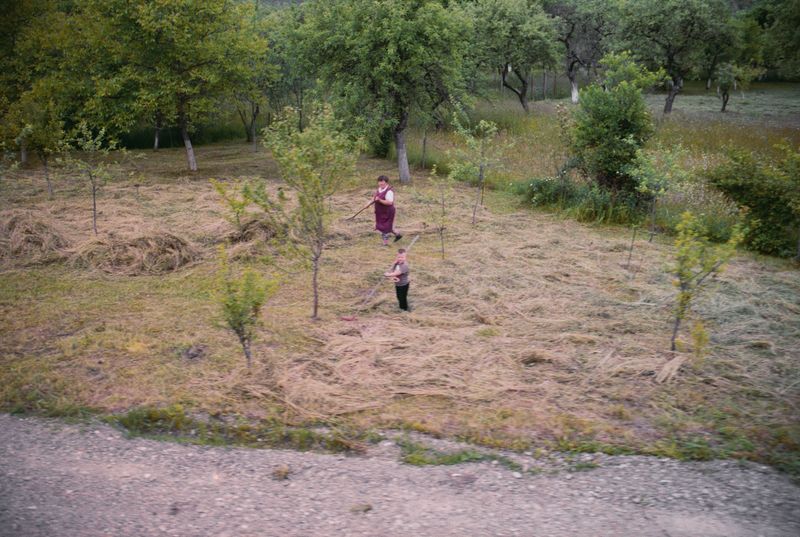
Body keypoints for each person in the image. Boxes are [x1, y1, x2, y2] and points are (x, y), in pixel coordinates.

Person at [373, 175, 402, 246]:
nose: (381, 184)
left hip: (388, 212)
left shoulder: (389, 191)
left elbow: (389, 202)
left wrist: (380, 200)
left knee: (385, 227)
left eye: (382, 182)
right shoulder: (379, 189)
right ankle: (398, 235)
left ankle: (385, 244)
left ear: (386, 182)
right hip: (380, 212)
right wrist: (367, 205)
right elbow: (374, 198)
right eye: (379, 182)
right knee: (389, 227)